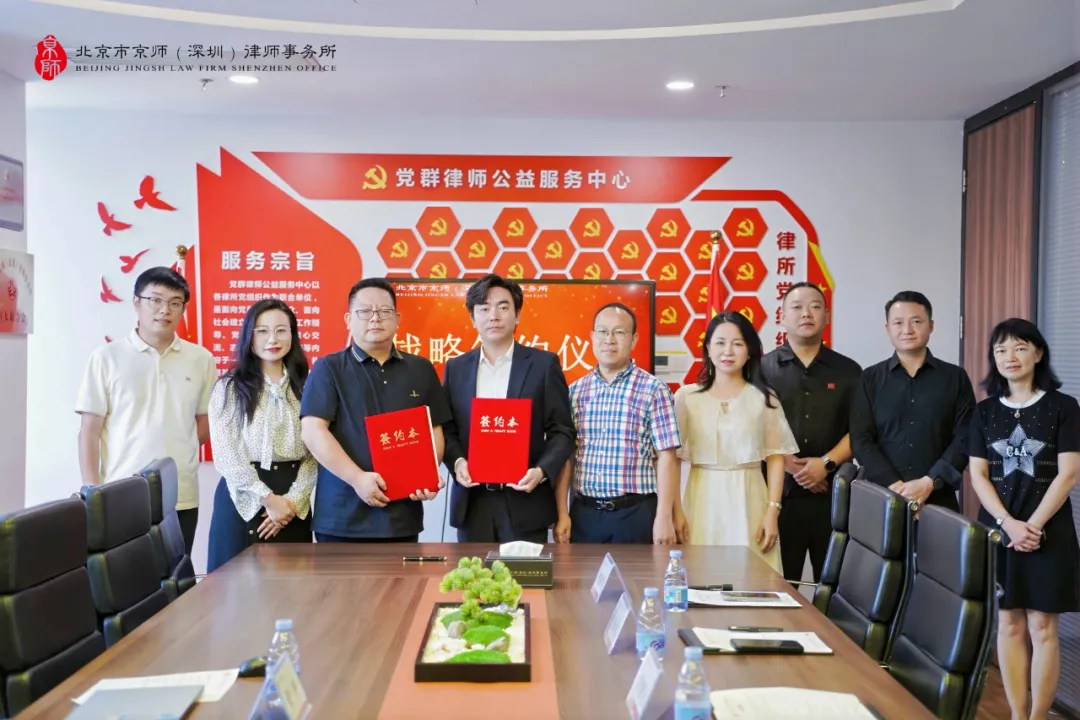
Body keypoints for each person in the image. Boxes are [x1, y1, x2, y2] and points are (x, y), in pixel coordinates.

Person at [968, 318, 1079, 720]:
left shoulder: (1064, 407)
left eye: (1019, 347)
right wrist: (1008, 523)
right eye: (1000, 350)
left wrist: (1032, 526)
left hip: (1050, 532)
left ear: (1038, 353)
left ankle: (1038, 717)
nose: (1009, 357)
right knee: (1009, 625)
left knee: (1043, 628)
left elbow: (1069, 473)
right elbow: (978, 475)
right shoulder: (984, 412)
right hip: (1000, 530)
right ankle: (1018, 714)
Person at [76, 266, 215, 555]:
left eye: (175, 302)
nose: (165, 310)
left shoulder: (201, 359)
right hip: (119, 492)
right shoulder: (106, 358)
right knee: (122, 575)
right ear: (136, 303)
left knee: (176, 572)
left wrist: (180, 445)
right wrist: (91, 489)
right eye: (156, 300)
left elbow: (205, 423)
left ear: (183, 309)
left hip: (181, 493)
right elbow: (90, 430)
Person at [300, 278, 451, 543]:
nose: (375, 318)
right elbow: (313, 431)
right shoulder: (328, 368)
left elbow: (434, 429)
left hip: (402, 516)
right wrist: (357, 478)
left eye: (384, 311)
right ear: (348, 319)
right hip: (342, 518)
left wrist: (426, 475)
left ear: (397, 319)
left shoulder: (421, 369)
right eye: (365, 311)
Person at [441, 274, 576, 543]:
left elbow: (562, 431)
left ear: (517, 315)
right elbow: (447, 429)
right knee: (473, 572)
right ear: (473, 318)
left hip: (526, 500)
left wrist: (542, 471)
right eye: (484, 308)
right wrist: (457, 462)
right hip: (473, 502)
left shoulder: (543, 365)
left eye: (503, 307)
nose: (493, 316)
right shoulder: (456, 368)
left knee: (523, 572)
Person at [674, 311, 798, 571]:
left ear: (750, 350)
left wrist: (772, 511)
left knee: (751, 577)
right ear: (708, 348)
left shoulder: (764, 398)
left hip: (749, 498)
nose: (728, 351)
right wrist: (675, 511)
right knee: (701, 575)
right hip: (701, 499)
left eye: (737, 343)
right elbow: (671, 461)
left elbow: (776, 457)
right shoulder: (687, 397)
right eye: (720, 342)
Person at [554, 302, 682, 545]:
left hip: (636, 513)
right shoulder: (575, 391)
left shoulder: (654, 390)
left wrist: (664, 517)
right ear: (592, 337)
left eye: (619, 332)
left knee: (638, 572)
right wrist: (562, 513)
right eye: (602, 331)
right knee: (582, 572)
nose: (609, 340)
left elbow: (667, 456)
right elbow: (567, 457)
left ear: (634, 340)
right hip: (585, 514)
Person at [761, 282, 862, 583]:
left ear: (826, 316)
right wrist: (790, 465)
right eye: (797, 307)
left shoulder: (849, 371)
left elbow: (861, 430)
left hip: (833, 497)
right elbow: (750, 428)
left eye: (815, 306)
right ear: (782, 317)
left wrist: (825, 464)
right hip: (776, 497)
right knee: (777, 583)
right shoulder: (761, 369)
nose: (806, 313)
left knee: (832, 585)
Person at [206, 299, 316, 572]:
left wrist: (291, 504)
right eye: (262, 331)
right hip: (242, 498)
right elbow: (227, 455)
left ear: (293, 335)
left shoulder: (309, 385)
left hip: (293, 503)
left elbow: (316, 452)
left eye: (281, 330)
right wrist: (268, 499)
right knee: (234, 590)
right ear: (249, 336)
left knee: (292, 589)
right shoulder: (230, 387)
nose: (272, 339)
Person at [850, 291, 975, 512]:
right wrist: (897, 487)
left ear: (931, 325)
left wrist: (929, 482)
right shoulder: (870, 378)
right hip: (883, 499)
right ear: (887, 328)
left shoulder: (955, 378)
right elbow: (861, 440)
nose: (907, 330)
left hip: (938, 499)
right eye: (898, 322)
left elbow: (965, 436)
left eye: (916, 321)